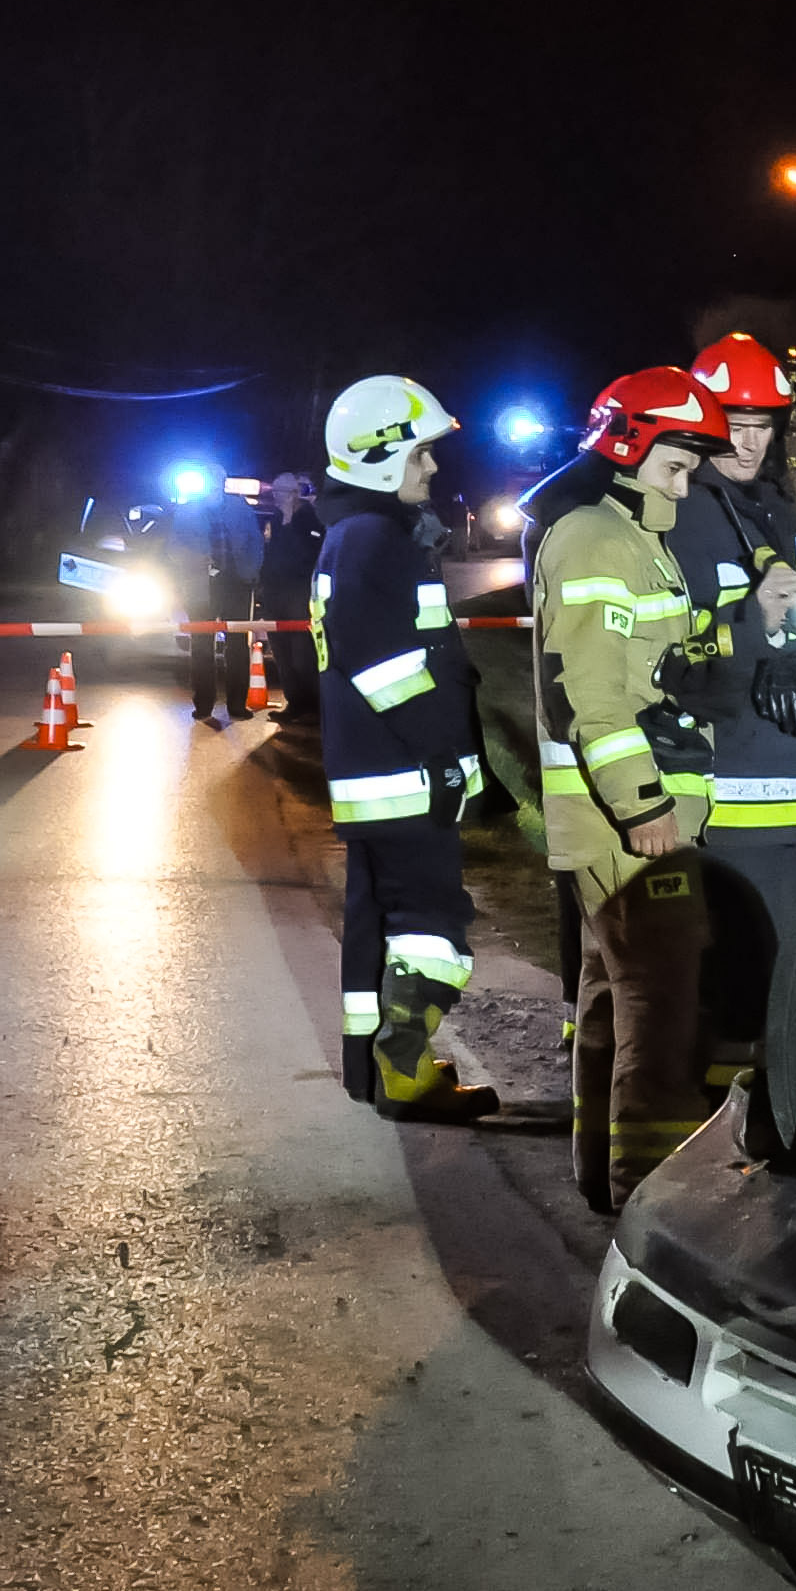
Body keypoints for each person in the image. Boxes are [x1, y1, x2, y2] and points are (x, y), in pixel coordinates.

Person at [533, 365, 729, 1211]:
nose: (686, 483)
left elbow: (639, 668)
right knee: (662, 1015)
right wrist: (643, 804)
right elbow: (590, 691)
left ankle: (601, 1177)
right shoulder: (596, 539)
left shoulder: (631, 537)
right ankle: (658, 1201)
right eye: (676, 465)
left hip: (616, 820)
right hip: (628, 826)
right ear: (628, 447)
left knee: (611, 1003)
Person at [310, 377, 494, 1120]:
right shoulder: (372, 540)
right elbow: (387, 668)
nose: (434, 468)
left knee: (378, 923)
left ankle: (375, 1071)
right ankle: (405, 1066)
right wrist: (446, 757)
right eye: (422, 453)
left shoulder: (359, 537)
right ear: (382, 457)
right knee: (432, 926)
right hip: (405, 775)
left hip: (377, 776)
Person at [668, 332, 796, 1030]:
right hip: (734, 803)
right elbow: (674, 657)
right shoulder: (682, 519)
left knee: (789, 976)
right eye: (734, 426)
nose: (749, 444)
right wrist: (754, 630)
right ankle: (731, 1127)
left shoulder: (781, 515)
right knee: (741, 982)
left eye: (762, 427)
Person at [162, 468, 265, 722]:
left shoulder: (239, 507)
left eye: (218, 481)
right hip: (200, 586)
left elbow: (255, 541)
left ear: (223, 482)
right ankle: (204, 704)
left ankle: (237, 705)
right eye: (210, 482)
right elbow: (173, 548)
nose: (214, 486)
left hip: (236, 584)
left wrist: (250, 572)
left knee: (238, 646)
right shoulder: (187, 511)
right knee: (201, 647)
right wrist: (195, 559)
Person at [255, 472, 325, 720]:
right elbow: (271, 555)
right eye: (274, 494)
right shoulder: (274, 519)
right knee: (282, 654)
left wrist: (291, 525)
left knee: (302, 655)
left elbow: (311, 555)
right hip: (277, 595)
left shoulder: (310, 519)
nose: (276, 499)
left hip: (300, 594)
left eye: (281, 494)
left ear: (294, 494)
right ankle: (294, 703)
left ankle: (314, 707)